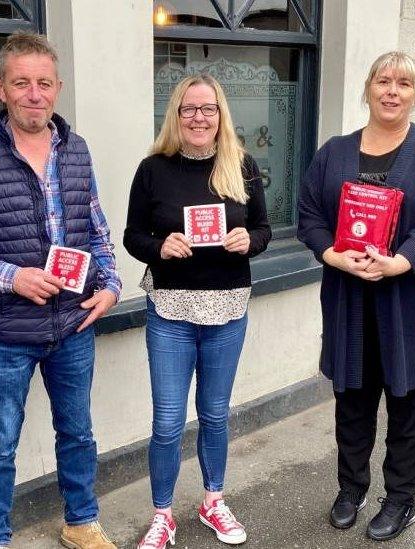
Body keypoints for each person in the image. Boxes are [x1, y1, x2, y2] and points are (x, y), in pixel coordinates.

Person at [0, 32, 121, 549]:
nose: (34, 94)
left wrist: (110, 286)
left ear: (57, 87)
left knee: (78, 434)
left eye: (43, 83)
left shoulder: (76, 150)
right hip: (6, 333)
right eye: (21, 83)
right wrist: (11, 276)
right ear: (0, 88)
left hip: (73, 325)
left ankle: (80, 522)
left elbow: (97, 232)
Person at [297, 51, 415, 541]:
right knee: (351, 400)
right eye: (384, 81)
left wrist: (401, 260)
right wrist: (331, 254)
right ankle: (351, 488)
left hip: (406, 300)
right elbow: (309, 215)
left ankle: (400, 498)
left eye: (404, 84)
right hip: (347, 298)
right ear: (368, 88)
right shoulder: (334, 151)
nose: (392, 91)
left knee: (408, 402)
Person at [124, 74, 272, 549]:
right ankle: (163, 514)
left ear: (221, 114)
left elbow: (264, 229)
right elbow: (132, 236)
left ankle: (213, 500)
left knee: (213, 414)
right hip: (170, 309)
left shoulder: (242, 165)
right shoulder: (153, 169)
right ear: (176, 114)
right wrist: (158, 246)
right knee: (168, 422)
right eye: (189, 109)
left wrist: (251, 241)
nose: (199, 118)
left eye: (208, 109)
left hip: (228, 308)